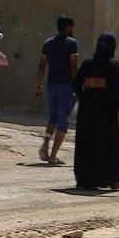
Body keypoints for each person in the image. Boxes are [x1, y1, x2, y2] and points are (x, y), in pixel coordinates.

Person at [73, 32, 119, 190]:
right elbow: (117, 92)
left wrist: (84, 98)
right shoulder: (113, 66)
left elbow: (75, 84)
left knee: (87, 146)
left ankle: (85, 180)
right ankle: (113, 179)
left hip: (87, 113)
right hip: (106, 114)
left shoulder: (87, 65)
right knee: (109, 146)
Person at [35, 15, 78, 165]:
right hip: (66, 86)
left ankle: (45, 146)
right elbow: (73, 67)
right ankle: (53, 155)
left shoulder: (48, 43)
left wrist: (38, 84)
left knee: (52, 117)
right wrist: (77, 86)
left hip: (51, 84)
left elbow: (42, 66)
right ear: (68, 27)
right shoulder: (72, 44)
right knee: (63, 120)